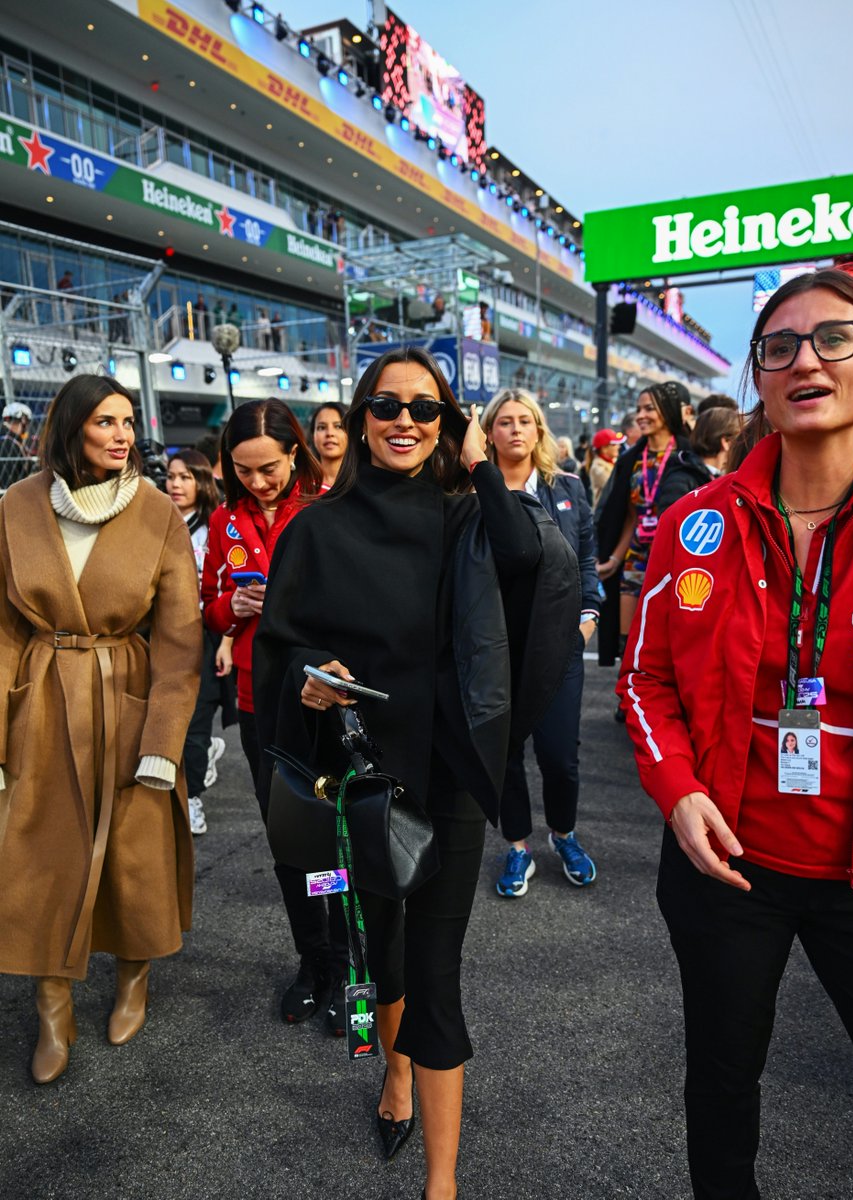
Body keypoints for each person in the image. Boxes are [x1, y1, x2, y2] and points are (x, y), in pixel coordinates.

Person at [253, 347, 577, 1199]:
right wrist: (309, 678)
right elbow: (279, 651)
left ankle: (443, 1185)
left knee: (435, 974)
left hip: (452, 769)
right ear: (361, 417)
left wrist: (477, 459)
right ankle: (393, 1075)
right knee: (381, 952)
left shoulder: (468, 511)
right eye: (388, 405)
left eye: (427, 409)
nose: (406, 421)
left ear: (449, 421)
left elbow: (526, 559)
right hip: (359, 774)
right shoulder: (315, 528)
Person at [617, 264, 853, 1197]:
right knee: (724, 1092)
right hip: (728, 866)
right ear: (758, 379)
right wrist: (679, 791)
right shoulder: (695, 523)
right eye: (778, 348)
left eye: (834, 339)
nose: (804, 362)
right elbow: (645, 676)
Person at [0, 374, 201, 1083]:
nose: (122, 435)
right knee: (36, 855)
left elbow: (180, 641)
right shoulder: (16, 508)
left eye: (127, 422)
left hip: (128, 692)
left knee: (134, 853)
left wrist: (163, 744)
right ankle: (52, 1005)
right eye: (105, 422)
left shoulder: (157, 513)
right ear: (70, 428)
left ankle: (133, 977)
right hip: (44, 695)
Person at [200, 400, 348, 1034]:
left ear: (295, 453)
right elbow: (206, 605)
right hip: (261, 708)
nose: (257, 482)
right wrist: (231, 604)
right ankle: (311, 963)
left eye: (268, 468)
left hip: (320, 700)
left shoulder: (329, 511)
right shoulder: (223, 519)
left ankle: (346, 968)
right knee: (289, 838)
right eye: (242, 470)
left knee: (334, 837)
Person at [481, 388, 600, 898]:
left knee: (559, 756)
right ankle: (518, 846)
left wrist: (586, 621)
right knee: (505, 753)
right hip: (498, 647)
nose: (514, 430)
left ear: (538, 430)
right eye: (504, 422)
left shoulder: (567, 487)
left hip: (560, 646)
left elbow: (587, 561)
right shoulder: (472, 493)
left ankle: (564, 834)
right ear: (488, 432)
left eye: (524, 421)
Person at [595, 381, 691, 673]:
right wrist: (614, 558)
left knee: (669, 638)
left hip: (675, 561)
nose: (641, 415)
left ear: (669, 411)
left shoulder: (687, 457)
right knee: (629, 639)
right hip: (636, 557)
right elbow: (631, 517)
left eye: (649, 408)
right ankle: (627, 698)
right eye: (638, 409)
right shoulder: (631, 460)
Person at [165, 449, 236, 835]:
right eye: (172, 476)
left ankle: (192, 797)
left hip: (204, 635)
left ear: (202, 482)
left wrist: (225, 640)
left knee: (195, 721)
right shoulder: (154, 524)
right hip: (160, 637)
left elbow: (225, 589)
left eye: (185, 477)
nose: (175, 484)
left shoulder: (216, 528)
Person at [308, 402, 348, 489]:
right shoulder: (301, 486)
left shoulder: (364, 483)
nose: (329, 433)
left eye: (338, 426)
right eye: (321, 427)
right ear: (313, 435)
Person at [589, 428, 625, 510]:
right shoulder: (598, 468)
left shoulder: (613, 462)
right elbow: (616, 487)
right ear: (604, 449)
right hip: (605, 512)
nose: (618, 446)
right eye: (614, 444)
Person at [0, 403, 31, 490]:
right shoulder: (8, 443)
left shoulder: (10, 440)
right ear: (22, 420)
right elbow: (8, 482)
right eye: (26, 421)